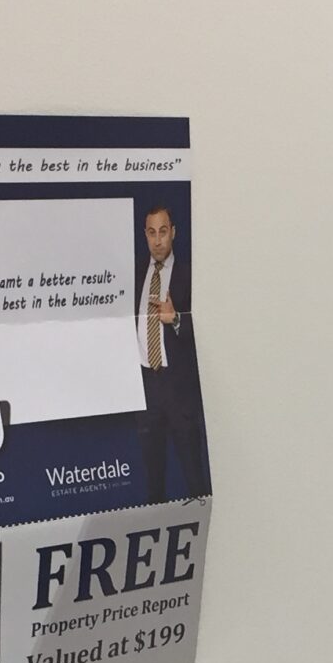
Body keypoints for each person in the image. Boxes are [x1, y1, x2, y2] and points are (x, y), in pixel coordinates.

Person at [133, 204, 209, 501]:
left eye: (163, 232)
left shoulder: (190, 274)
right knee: (152, 476)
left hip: (178, 388)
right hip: (146, 386)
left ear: (173, 233)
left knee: (193, 474)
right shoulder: (135, 274)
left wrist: (176, 319)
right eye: (151, 233)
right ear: (145, 235)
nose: (157, 240)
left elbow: (211, 329)